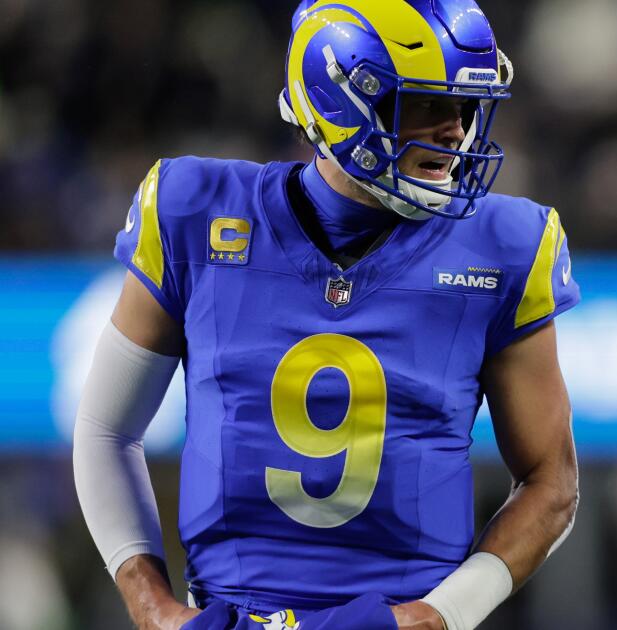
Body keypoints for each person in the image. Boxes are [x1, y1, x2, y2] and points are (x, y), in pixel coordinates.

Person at [72, 1, 580, 629]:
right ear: (338, 101)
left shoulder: (506, 246)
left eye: (465, 106)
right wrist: (153, 610)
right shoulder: (193, 211)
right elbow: (104, 430)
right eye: (427, 103)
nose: (455, 131)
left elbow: (551, 483)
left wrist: (440, 615)